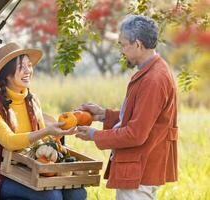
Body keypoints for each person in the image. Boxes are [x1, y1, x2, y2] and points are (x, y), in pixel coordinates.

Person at [75, 15, 178, 200]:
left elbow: (136, 133)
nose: (121, 51)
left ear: (137, 44)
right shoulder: (151, 71)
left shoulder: (154, 79)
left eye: (123, 45)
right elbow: (139, 118)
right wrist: (104, 116)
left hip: (140, 169)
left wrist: (93, 135)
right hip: (140, 166)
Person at [0, 43, 87, 200]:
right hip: (3, 176)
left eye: (29, 65)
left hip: (33, 169)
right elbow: (10, 141)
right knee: (52, 196)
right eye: (22, 66)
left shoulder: (33, 100)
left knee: (77, 193)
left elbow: (41, 141)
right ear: (7, 74)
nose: (28, 70)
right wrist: (47, 130)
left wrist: (60, 133)